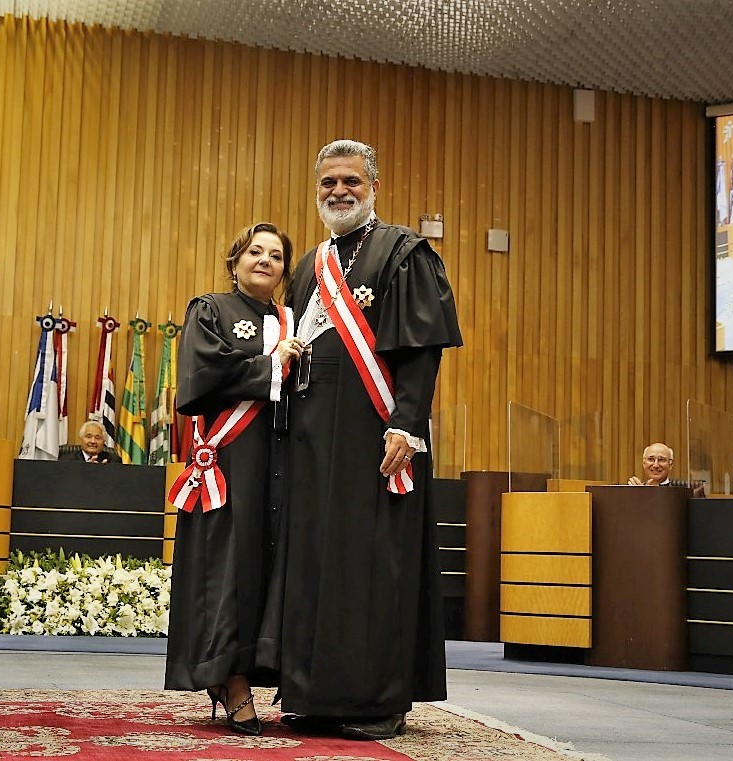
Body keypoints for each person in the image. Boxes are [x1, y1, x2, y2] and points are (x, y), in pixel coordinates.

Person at [280, 139, 462, 741]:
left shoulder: (404, 252)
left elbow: (421, 349)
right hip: (311, 438)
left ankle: (377, 700)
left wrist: (406, 425)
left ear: (374, 187)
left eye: (350, 181)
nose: (339, 191)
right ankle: (314, 693)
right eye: (328, 182)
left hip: (375, 435)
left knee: (374, 563)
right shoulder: (308, 265)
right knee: (315, 561)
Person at [164, 222, 303, 736]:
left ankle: (275, 675)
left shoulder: (294, 323)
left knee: (270, 570)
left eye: (275, 255)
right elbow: (201, 378)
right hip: (232, 458)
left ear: (286, 270)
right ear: (235, 260)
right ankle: (229, 676)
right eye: (254, 251)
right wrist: (271, 364)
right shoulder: (211, 311)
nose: (264, 260)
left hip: (283, 465)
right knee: (230, 571)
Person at [628, 442, 706, 496]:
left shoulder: (692, 490)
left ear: (670, 464)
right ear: (644, 463)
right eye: (651, 459)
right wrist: (638, 497)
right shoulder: (635, 491)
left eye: (661, 460)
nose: (655, 465)